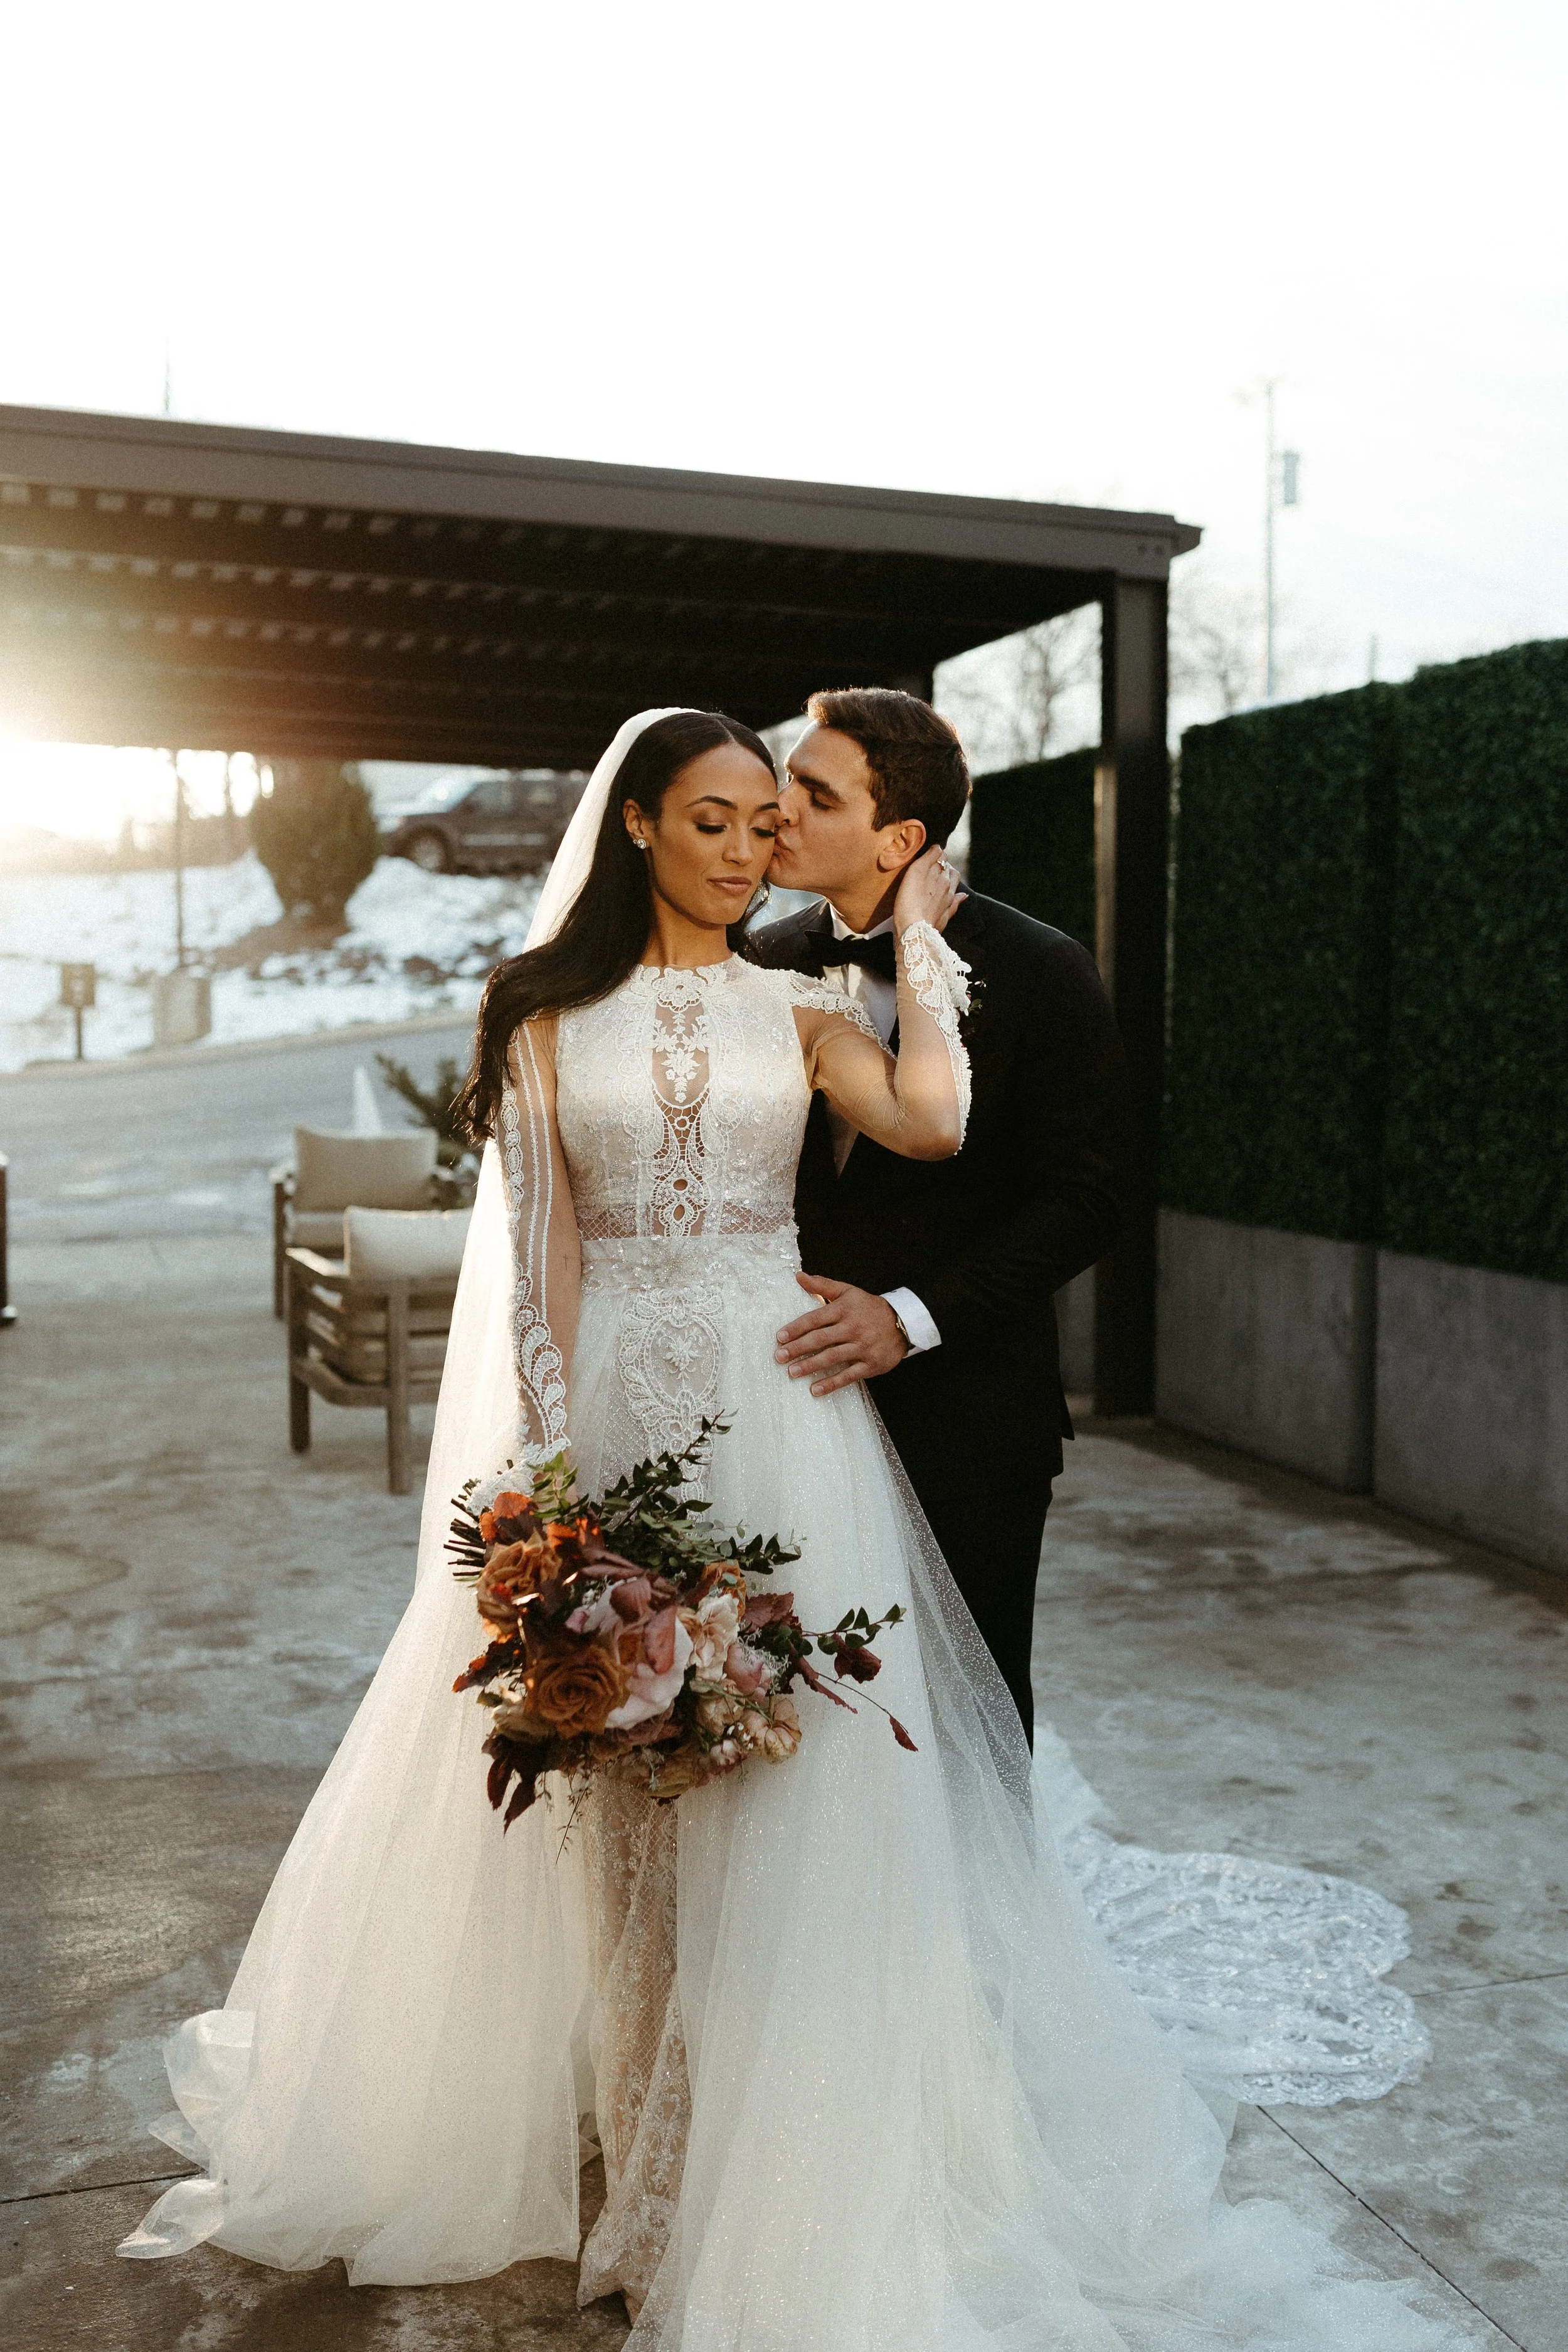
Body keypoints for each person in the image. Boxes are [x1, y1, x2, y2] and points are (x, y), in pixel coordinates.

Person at [120, 708, 1458, 2350]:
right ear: (636, 827)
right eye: (725, 815)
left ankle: (794, 2135)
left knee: (801, 1783)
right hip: (616, 1410)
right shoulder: (547, 1006)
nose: (758, 842)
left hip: (808, 1426)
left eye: (785, 810)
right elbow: (542, 1245)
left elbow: (954, 1134)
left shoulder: (830, 990)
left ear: (890, 835)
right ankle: (639, 2158)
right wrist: (550, 1463)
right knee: (610, 1791)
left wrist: (919, 959)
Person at [751, 688, 1128, 1744]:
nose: (779, 808)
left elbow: (1090, 1200)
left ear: (900, 838)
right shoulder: (753, 965)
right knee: (794, 1717)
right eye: (786, 778)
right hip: (788, 1403)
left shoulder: (1042, 970)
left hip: (971, 1421)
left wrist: (909, 1317)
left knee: (972, 1720)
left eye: (814, 793)